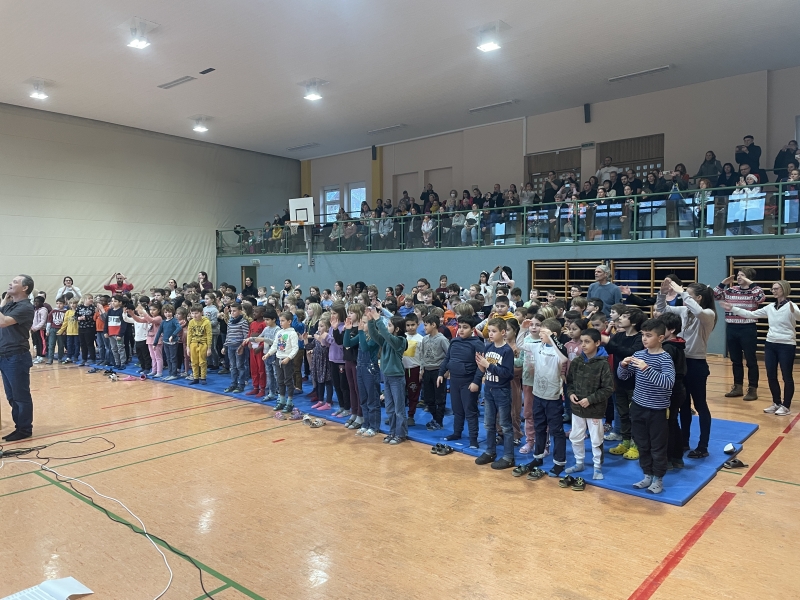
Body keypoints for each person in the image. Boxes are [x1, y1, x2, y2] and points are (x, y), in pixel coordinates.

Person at [656, 279, 716, 459]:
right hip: (681, 362)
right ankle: (684, 441)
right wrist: (662, 294)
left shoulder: (708, 314)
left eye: (689, 295)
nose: (684, 297)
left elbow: (698, 312)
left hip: (697, 364)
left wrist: (682, 292)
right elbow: (662, 310)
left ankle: (703, 446)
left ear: (698, 298)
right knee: (683, 405)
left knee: (700, 405)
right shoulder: (684, 311)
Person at [617, 318, 675, 494]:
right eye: (643, 335)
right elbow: (623, 376)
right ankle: (647, 475)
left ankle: (658, 479)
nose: (644, 339)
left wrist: (647, 369)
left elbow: (668, 383)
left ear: (660, 338)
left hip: (657, 410)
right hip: (638, 407)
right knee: (642, 444)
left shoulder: (665, 358)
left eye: (649, 335)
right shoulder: (639, 354)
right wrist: (623, 365)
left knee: (657, 446)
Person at [723, 280, 797, 416]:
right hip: (770, 344)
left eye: (776, 288)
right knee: (771, 375)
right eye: (772, 289)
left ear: (784, 289)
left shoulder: (791, 306)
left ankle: (786, 405)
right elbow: (751, 314)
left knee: (787, 376)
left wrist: (794, 310)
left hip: (786, 345)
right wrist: (732, 308)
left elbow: (798, 316)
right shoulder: (770, 307)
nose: (773, 291)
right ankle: (776, 403)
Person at [513, 318, 568, 478]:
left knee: (556, 431)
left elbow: (564, 359)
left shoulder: (559, 350)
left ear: (553, 334)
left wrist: (552, 338)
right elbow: (520, 344)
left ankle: (559, 462)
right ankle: (538, 457)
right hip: (538, 395)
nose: (539, 333)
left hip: (553, 397)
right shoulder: (537, 346)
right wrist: (522, 329)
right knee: (539, 427)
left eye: (543, 332)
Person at [564, 328, 613, 481]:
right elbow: (570, 382)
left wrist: (590, 400)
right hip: (577, 408)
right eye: (581, 342)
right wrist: (571, 394)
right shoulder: (577, 362)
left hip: (595, 409)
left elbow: (608, 388)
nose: (583, 345)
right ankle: (579, 462)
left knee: (596, 439)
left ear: (597, 343)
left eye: (587, 342)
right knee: (575, 436)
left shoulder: (603, 364)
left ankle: (597, 467)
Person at [713, 268, 764, 400]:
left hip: (748, 328)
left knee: (750, 360)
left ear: (749, 277)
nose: (739, 277)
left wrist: (750, 283)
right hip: (732, 327)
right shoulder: (732, 290)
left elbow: (761, 298)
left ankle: (752, 388)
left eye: (742, 275)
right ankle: (737, 387)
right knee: (735, 359)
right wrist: (723, 283)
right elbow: (714, 295)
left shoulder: (755, 290)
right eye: (738, 275)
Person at [474, 318, 516, 470]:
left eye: (494, 331)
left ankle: (509, 457)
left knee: (505, 425)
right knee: (488, 423)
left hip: (502, 391)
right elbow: (484, 370)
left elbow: (508, 374)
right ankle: (490, 451)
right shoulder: (489, 347)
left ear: (503, 332)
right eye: (489, 331)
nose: (490, 334)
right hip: (489, 389)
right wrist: (481, 365)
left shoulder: (507, 351)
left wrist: (488, 365)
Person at [603, 307, 645, 458]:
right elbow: (609, 350)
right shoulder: (619, 335)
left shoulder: (639, 338)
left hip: (635, 383)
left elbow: (630, 352)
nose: (620, 318)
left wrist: (609, 341)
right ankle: (625, 441)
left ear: (633, 322)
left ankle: (636, 444)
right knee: (623, 414)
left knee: (635, 415)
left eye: (625, 316)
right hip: (619, 380)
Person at [0, 274, 36, 441]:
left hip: (16, 356)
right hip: (4, 355)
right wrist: (4, 300)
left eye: (15, 282)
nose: (10, 283)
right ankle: (19, 426)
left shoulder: (25, 307)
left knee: (20, 396)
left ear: (25, 288)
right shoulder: (10, 305)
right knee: (12, 396)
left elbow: (3, 322)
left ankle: (24, 429)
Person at [366, 307, 408, 444]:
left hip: (397, 378)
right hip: (387, 377)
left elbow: (386, 335)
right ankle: (392, 432)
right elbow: (375, 335)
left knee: (399, 409)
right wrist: (371, 322)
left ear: (397, 329)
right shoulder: (387, 341)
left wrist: (378, 320)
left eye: (389, 325)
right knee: (389, 408)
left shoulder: (400, 341)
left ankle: (401, 434)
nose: (387, 327)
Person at [657, 312, 688, 469]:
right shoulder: (676, 345)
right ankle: (677, 457)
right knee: (672, 423)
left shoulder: (668, 348)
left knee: (667, 425)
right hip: (676, 390)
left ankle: (669, 458)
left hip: (671, 391)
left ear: (672, 330)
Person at [418, 315, 450, 430]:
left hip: (438, 372)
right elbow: (422, 355)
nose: (424, 327)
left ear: (434, 325)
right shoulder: (425, 339)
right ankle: (435, 418)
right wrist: (422, 369)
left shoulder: (442, 339)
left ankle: (439, 421)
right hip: (427, 371)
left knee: (440, 398)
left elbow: (449, 355)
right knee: (428, 399)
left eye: (426, 325)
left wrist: (447, 370)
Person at [266, 311, 299, 412]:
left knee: (288, 381)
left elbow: (295, 348)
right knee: (280, 381)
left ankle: (289, 402)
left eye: (283, 321)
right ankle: (282, 401)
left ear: (289, 321)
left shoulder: (292, 333)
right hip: (278, 359)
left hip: (287, 360)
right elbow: (275, 345)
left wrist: (288, 358)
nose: (280, 323)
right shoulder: (279, 332)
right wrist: (268, 354)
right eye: (280, 321)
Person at [221, 303, 250, 393]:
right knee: (233, 366)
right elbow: (228, 335)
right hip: (230, 346)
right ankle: (233, 384)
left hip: (239, 347)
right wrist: (224, 346)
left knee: (240, 366)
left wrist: (242, 346)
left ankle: (241, 385)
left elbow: (246, 336)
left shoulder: (243, 322)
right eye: (231, 311)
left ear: (240, 311)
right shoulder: (230, 321)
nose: (232, 313)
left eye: (234, 311)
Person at [403, 313, 423, 427]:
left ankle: (411, 415)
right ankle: (399, 415)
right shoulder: (402, 337)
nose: (410, 327)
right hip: (401, 369)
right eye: (408, 325)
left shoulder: (421, 339)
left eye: (413, 325)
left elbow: (423, 357)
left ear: (417, 324)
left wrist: (421, 371)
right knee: (399, 393)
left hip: (414, 369)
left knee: (413, 393)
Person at [154, 303, 182, 381]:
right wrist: (155, 343)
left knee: (173, 358)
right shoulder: (163, 322)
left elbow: (179, 327)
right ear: (163, 313)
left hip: (173, 343)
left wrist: (173, 335)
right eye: (166, 312)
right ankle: (170, 373)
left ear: (172, 312)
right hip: (165, 342)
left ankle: (174, 374)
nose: (168, 314)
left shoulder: (174, 320)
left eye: (169, 312)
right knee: (168, 358)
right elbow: (159, 332)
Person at [186, 303, 212, 386]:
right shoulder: (191, 322)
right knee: (194, 362)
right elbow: (189, 335)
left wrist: (209, 348)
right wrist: (188, 347)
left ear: (201, 313)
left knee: (202, 361)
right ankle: (195, 378)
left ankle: (203, 377)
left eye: (196, 313)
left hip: (203, 344)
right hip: (193, 344)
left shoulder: (206, 322)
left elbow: (209, 335)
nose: (194, 315)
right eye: (192, 313)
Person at [58, 298, 80, 364]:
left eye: (74, 303)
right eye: (71, 303)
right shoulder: (68, 312)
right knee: (69, 345)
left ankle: (76, 356)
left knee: (76, 345)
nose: (72, 305)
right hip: (69, 332)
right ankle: (69, 357)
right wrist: (61, 330)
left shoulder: (79, 311)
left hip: (77, 332)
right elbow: (65, 322)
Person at [45, 296, 67, 365]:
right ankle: (50, 359)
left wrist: (65, 330)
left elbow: (66, 322)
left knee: (61, 345)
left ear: (64, 304)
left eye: (60, 303)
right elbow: (49, 321)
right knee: (51, 344)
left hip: (61, 330)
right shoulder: (53, 311)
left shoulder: (66, 312)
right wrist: (47, 330)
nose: (59, 305)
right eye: (57, 303)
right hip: (52, 329)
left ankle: (60, 358)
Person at [30, 296, 48, 364]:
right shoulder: (35, 310)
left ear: (42, 302)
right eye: (35, 301)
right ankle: (38, 356)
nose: (36, 303)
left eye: (37, 301)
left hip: (40, 330)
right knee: (37, 343)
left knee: (41, 343)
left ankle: (42, 356)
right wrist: (32, 327)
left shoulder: (43, 310)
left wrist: (36, 328)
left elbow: (42, 322)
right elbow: (33, 320)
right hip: (35, 330)